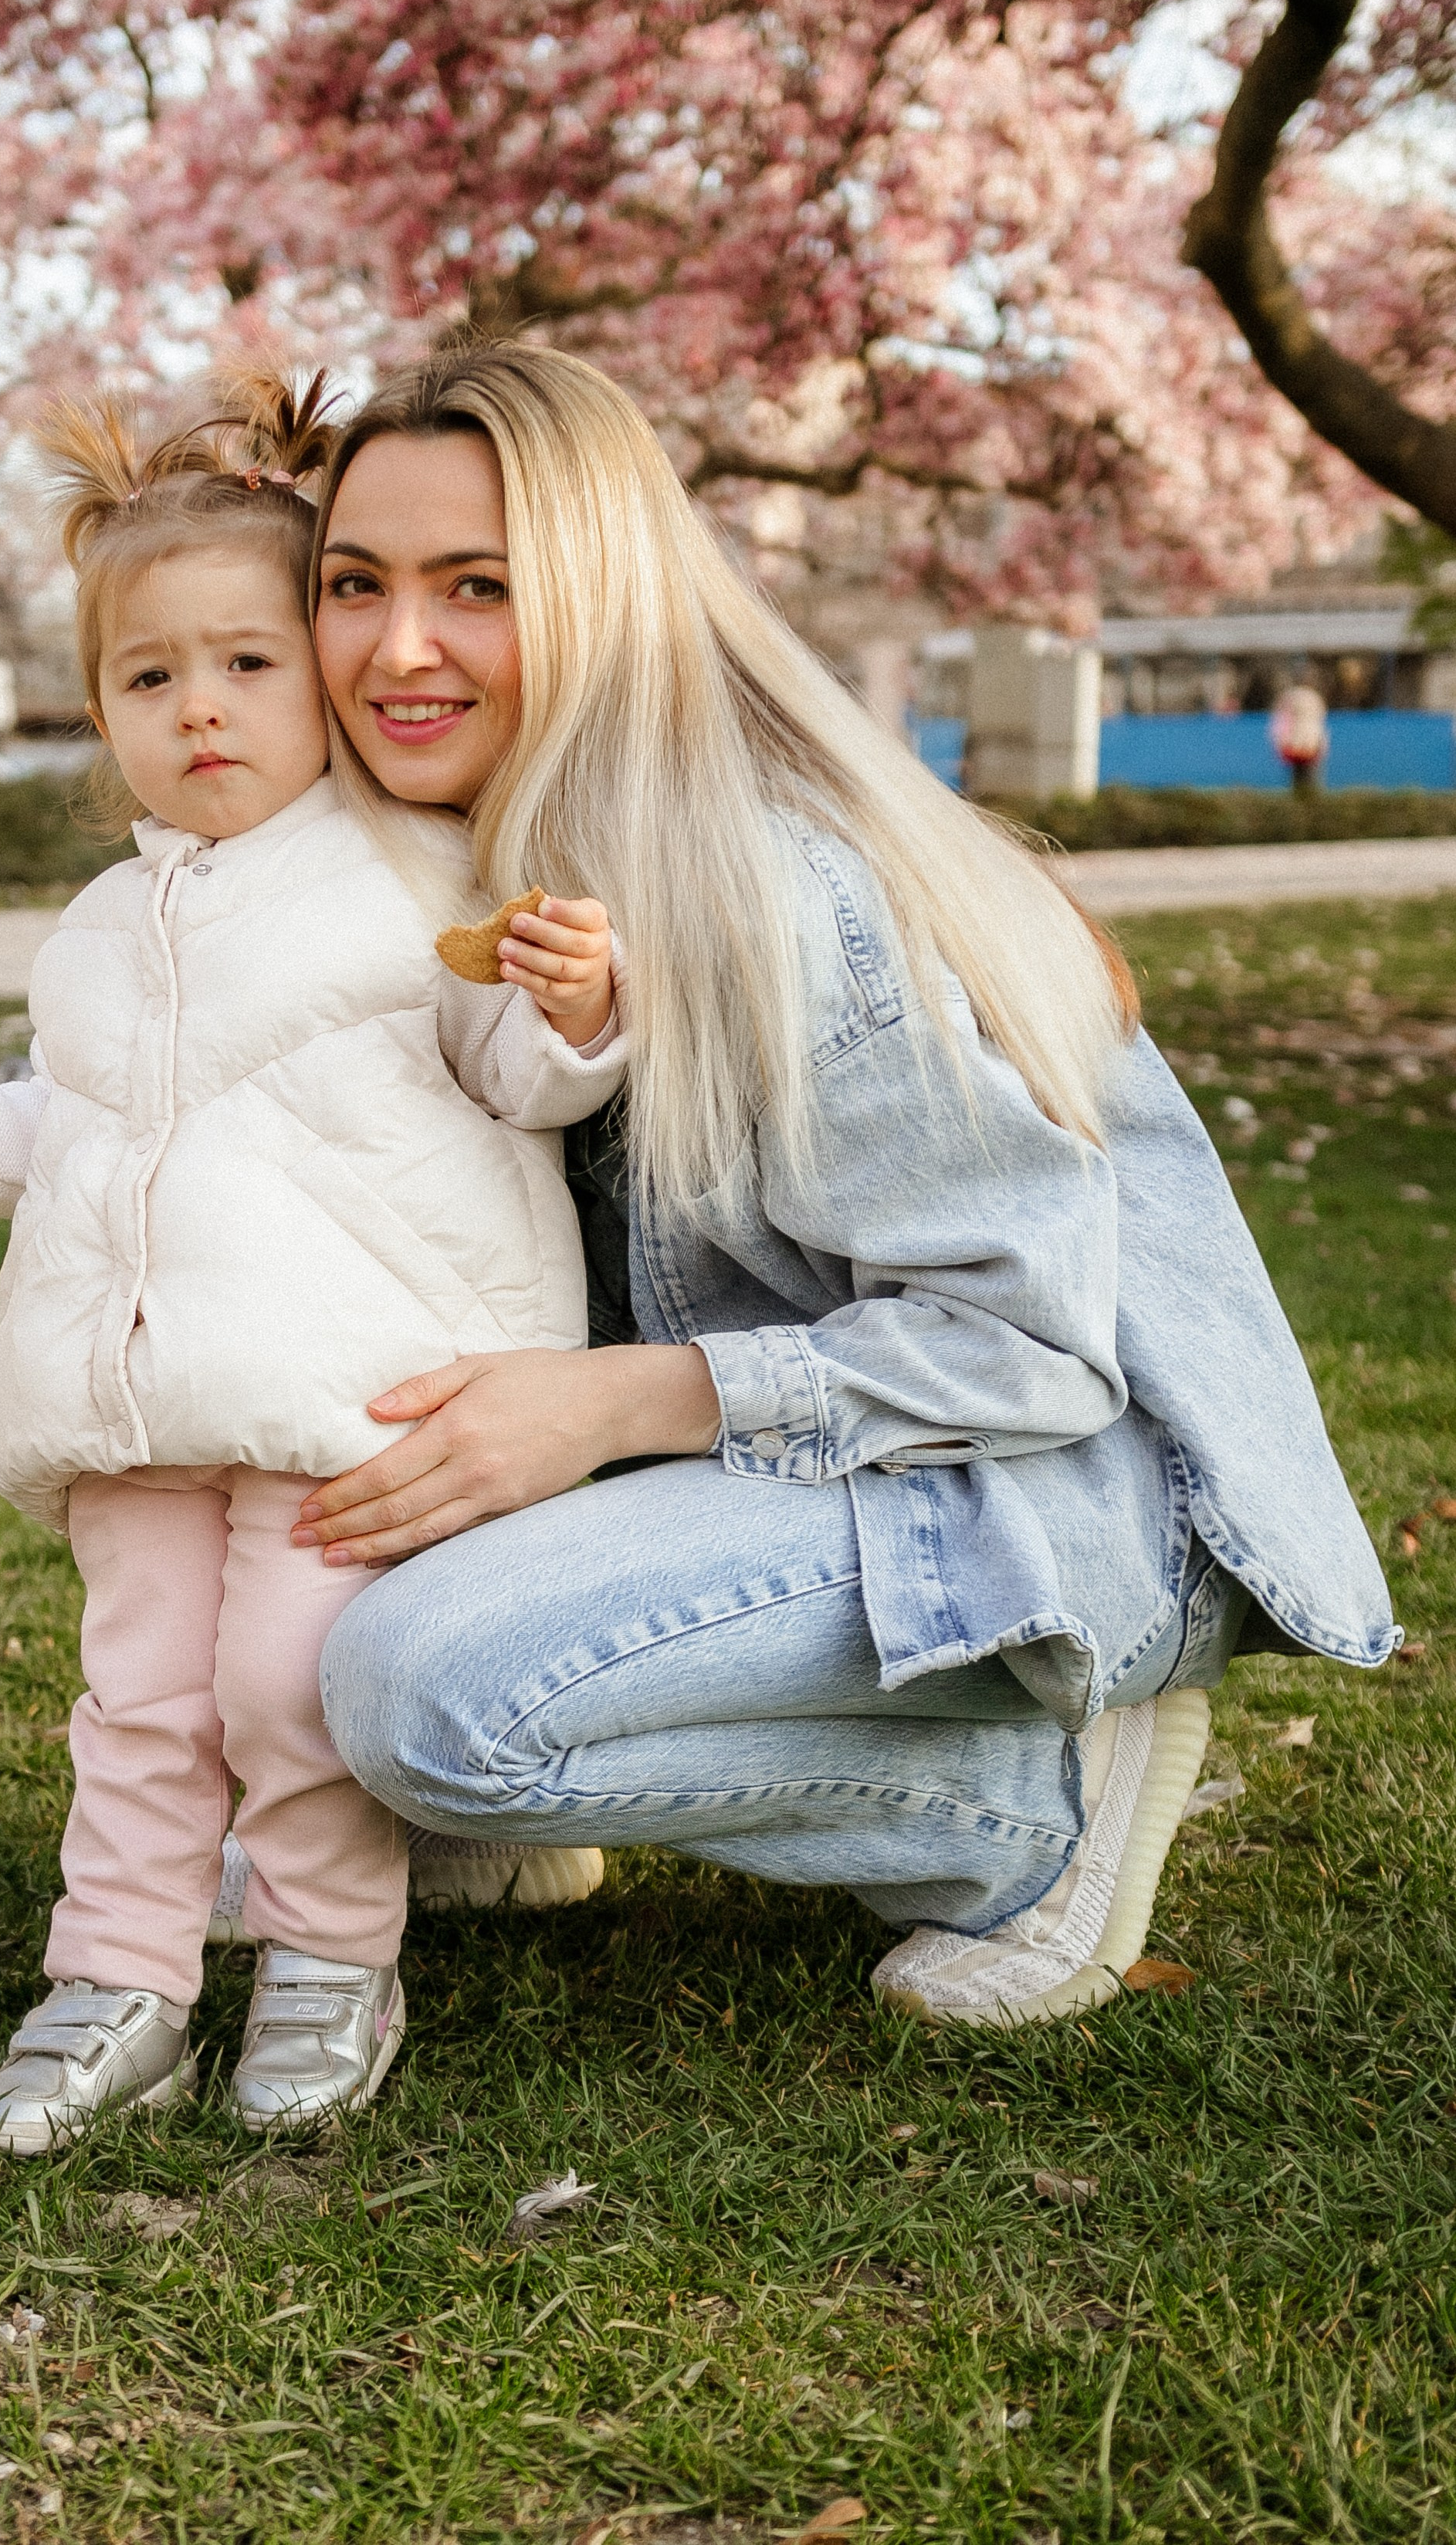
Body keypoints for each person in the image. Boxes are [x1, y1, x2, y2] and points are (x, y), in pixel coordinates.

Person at [292, 339, 1396, 2030]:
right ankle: (496, 1798)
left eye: (477, 588)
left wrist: (606, 1406)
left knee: (419, 1699)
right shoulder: (460, 868)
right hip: (818, 1467)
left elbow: (1019, 1347)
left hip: (1033, 1496)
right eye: (351, 584)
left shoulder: (768, 898)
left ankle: (1024, 1811)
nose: (396, 648)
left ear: (603, 601)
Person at [0, 376, 625, 2149]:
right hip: (140, 1392)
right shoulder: (103, 931)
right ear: (100, 713)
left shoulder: (418, 873)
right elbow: (79, 1134)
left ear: (320, 678)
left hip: (347, 1392)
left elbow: (513, 1077)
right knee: (145, 1698)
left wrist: (573, 1007)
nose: (201, 710)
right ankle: (117, 1981)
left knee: (278, 1688)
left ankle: (329, 1959)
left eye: (247, 664)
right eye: (149, 678)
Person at [1270, 677, 1329, 794]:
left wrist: (1281, 743)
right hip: (1311, 744)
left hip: (1295, 744)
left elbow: (1279, 723)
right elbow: (1320, 723)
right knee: (1311, 782)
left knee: (1298, 781)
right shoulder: (1314, 697)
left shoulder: (1289, 697)